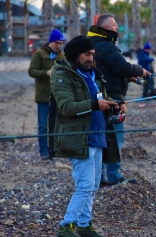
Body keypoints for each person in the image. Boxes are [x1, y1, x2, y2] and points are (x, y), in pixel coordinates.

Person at [51, 35, 119, 237]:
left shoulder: (92, 74)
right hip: (79, 137)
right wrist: (95, 105)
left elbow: (99, 98)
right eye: (87, 54)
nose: (91, 58)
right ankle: (66, 226)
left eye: (93, 55)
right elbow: (66, 107)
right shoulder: (62, 74)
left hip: (98, 135)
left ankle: (84, 225)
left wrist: (114, 104)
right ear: (75, 54)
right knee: (85, 185)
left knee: (93, 185)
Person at [87, 14, 150, 185]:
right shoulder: (107, 46)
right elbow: (122, 67)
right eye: (114, 25)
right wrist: (140, 71)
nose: (117, 28)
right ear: (106, 28)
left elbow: (109, 70)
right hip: (112, 98)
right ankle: (113, 175)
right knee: (115, 136)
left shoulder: (93, 44)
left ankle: (99, 177)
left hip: (99, 97)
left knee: (101, 136)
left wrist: (127, 78)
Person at [28, 29, 65, 160]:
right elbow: (32, 71)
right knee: (43, 125)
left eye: (61, 43)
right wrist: (46, 73)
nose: (59, 45)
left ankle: (53, 151)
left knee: (55, 124)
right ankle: (43, 151)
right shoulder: (39, 54)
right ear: (51, 41)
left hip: (57, 97)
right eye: (56, 42)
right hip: (43, 96)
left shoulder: (62, 56)